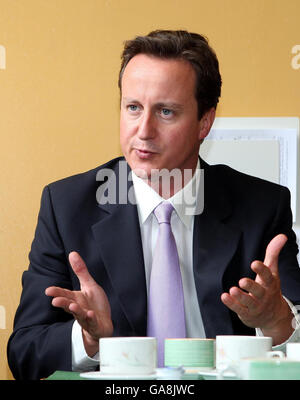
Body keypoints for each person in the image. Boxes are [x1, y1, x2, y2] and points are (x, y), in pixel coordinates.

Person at [7, 30, 300, 380]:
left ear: (204, 121)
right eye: (133, 107)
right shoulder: (67, 206)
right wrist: (88, 340)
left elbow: (289, 328)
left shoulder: (261, 207)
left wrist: (276, 321)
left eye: (165, 111)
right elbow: (24, 352)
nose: (143, 130)